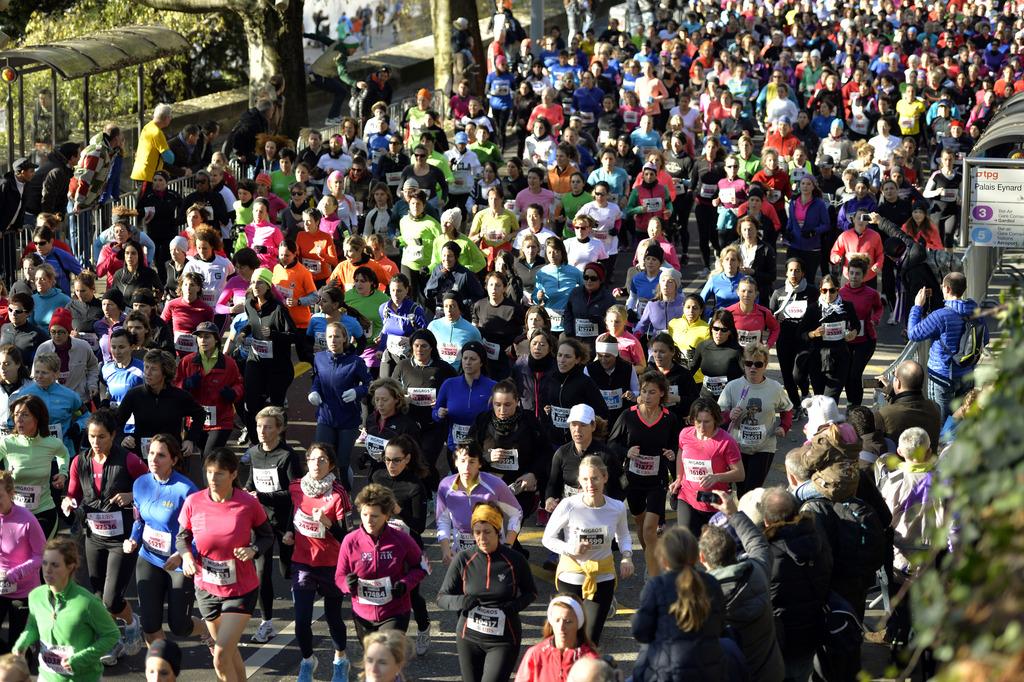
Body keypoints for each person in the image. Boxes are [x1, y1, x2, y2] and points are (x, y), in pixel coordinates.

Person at [177, 449, 274, 682]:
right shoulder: (194, 502)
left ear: (233, 474)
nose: (212, 478)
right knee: (228, 652)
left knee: (220, 655)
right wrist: (187, 557)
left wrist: (253, 550)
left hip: (240, 589)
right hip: (206, 588)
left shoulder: (247, 503)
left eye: (219, 473)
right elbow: (182, 538)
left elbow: (267, 536)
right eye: (209, 472)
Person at [61, 409, 146, 664]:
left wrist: (132, 496)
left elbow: (151, 487)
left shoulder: (129, 460)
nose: (95, 443)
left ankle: (131, 623)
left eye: (101, 437)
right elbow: (74, 493)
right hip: (94, 535)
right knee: (98, 595)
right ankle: (112, 640)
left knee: (111, 598)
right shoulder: (80, 461)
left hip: (122, 539)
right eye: (91, 437)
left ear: (113, 436)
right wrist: (68, 502)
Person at [438, 501, 538, 682]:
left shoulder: (515, 560)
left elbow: (532, 592)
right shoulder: (464, 558)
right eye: (477, 532)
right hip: (468, 637)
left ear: (498, 532)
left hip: (503, 639)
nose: (482, 538)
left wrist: (514, 606)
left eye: (487, 532)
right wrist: (462, 602)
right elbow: (442, 597)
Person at [124, 435, 206, 645]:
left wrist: (183, 555)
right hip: (149, 558)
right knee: (150, 625)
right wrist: (133, 539)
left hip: (177, 565)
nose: (154, 459)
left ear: (174, 460)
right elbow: (139, 520)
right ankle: (160, 670)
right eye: (151, 453)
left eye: (161, 455)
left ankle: (210, 629)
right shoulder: (140, 483)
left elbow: (201, 533)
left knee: (180, 626)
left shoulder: (186, 490)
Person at [543, 454, 633, 646]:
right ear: (579, 481)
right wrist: (570, 549)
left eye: (595, 478)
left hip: (602, 576)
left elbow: (623, 535)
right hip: (571, 575)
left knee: (591, 640)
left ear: (605, 478)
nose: (590, 484)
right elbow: (547, 538)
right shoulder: (569, 506)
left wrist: (627, 556)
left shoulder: (616, 507)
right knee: (568, 638)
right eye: (585, 479)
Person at [699, 491, 785, 682]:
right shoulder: (758, 572)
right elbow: (758, 543)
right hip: (770, 674)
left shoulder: (698, 600)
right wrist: (733, 513)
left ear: (702, 558)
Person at [12, 538, 120, 682]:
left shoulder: (87, 602)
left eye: (55, 565)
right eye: (44, 563)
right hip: (47, 677)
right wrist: (22, 643)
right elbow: (33, 626)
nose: (47, 570)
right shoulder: (35, 596)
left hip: (83, 678)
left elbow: (112, 635)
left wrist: (80, 659)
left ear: (70, 566)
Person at [289, 442, 353, 682]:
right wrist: (287, 532)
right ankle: (307, 661)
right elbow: (291, 513)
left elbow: (347, 536)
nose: (316, 464)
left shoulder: (339, 493)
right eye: (312, 459)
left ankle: (340, 660)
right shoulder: (296, 487)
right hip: (303, 562)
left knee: (333, 616)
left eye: (322, 460)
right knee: (302, 619)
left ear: (332, 464)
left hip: (331, 564)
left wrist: (328, 523)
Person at [630, 526, 726, 681]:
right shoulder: (711, 583)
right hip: (710, 672)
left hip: (667, 673)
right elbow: (720, 626)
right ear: (696, 556)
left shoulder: (656, 586)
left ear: (664, 559)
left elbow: (641, 632)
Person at [242, 406, 304, 644]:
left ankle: (303, 602)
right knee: (261, 573)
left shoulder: (287, 456)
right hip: (261, 523)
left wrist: (264, 496)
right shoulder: (254, 453)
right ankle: (266, 622)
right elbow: (251, 482)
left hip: (285, 520)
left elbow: (294, 493)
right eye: (259, 426)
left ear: (279, 430)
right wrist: (247, 493)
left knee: (287, 569)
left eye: (268, 427)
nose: (262, 431)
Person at [609, 371, 678, 579]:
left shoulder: (669, 418)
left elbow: (678, 443)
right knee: (640, 522)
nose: (647, 396)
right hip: (633, 480)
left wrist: (672, 453)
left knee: (650, 528)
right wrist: (625, 452)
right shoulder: (628, 415)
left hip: (657, 480)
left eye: (652, 392)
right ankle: (653, 557)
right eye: (644, 391)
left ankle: (653, 574)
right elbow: (612, 443)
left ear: (662, 394)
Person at [337, 483, 426, 641]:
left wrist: (405, 584)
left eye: (375, 516)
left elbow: (421, 567)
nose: (369, 520)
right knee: (372, 660)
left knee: (386, 655)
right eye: (365, 515)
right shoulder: (350, 541)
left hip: (395, 611)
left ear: (386, 516)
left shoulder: (401, 539)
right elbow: (339, 576)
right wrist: (347, 584)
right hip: (362, 613)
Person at [760, 487, 832, 681]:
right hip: (812, 630)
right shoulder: (817, 537)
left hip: (780, 636)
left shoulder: (768, 554)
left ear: (766, 521)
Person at [370, 435, 433, 655]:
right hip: (381, 545)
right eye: (387, 459)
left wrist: (399, 511)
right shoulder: (377, 476)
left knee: (412, 595)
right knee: (383, 590)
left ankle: (424, 627)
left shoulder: (415, 486)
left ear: (407, 459)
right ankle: (387, 635)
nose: (391, 465)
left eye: (396, 460)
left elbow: (419, 526)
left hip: (408, 549)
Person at [906, 272, 989, 422]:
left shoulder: (940, 316)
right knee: (963, 417)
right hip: (967, 373)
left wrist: (917, 307)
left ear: (947, 289)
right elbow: (986, 339)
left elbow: (913, 334)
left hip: (942, 376)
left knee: (940, 421)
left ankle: (943, 445)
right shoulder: (976, 310)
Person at [718, 344, 793, 495]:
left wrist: (784, 427)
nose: (753, 368)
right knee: (741, 489)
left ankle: (746, 516)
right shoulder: (733, 387)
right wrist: (729, 415)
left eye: (758, 364)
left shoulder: (775, 388)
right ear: (743, 364)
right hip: (737, 446)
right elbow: (719, 415)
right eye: (748, 363)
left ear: (765, 366)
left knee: (752, 490)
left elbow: (787, 408)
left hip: (764, 446)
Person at [669, 398, 744, 536]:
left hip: (715, 503)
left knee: (712, 550)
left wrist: (717, 477)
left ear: (715, 420)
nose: (702, 427)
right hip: (687, 497)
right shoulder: (685, 434)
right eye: (698, 421)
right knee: (687, 542)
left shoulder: (726, 441)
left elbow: (740, 474)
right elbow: (680, 453)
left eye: (707, 422)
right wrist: (679, 477)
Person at [309, 322, 371, 488]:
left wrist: (357, 392)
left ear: (345, 338)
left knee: (342, 463)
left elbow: (369, 385)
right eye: (329, 336)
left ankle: (346, 498)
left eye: (337, 336)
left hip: (348, 420)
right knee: (322, 459)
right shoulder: (319, 358)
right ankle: (323, 495)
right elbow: (316, 379)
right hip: (325, 417)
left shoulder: (356, 362)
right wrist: (314, 391)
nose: (333, 340)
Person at [174, 321, 243, 466]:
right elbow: (175, 385)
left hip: (221, 421)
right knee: (205, 455)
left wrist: (233, 393)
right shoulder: (187, 362)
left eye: (207, 337)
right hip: (195, 420)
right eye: (199, 337)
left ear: (216, 339)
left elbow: (239, 384)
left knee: (209, 457)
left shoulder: (229, 363)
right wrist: (185, 385)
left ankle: (212, 488)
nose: (203, 340)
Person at [0, 395, 68, 539]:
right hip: (14, 513)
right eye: (16, 414)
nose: (19, 419)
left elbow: (64, 454)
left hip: (44, 512)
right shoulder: (6, 443)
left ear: (37, 418)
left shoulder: (51, 443)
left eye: (25, 415)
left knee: (41, 559)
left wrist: (63, 473)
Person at [0, 469, 45, 655]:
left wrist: (15, 573)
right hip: (0, 588)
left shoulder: (27, 519)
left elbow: (41, 556)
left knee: (18, 651)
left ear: (11, 494)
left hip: (23, 592)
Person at [514, 595, 599, 682]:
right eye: (557, 620)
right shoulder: (536, 654)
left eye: (568, 621)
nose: (561, 627)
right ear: (551, 622)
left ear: (579, 623)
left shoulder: (590, 660)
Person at [802, 274, 859, 401]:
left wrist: (853, 333)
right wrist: (813, 334)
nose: (828, 294)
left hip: (840, 358)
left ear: (838, 289)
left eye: (832, 290)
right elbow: (801, 334)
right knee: (819, 398)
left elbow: (856, 325)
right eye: (824, 290)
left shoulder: (847, 307)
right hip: (818, 359)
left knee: (830, 400)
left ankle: (830, 420)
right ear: (820, 290)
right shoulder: (813, 308)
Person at [770, 258, 813, 412]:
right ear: (786, 273)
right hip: (784, 339)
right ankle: (796, 406)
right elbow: (770, 317)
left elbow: (818, 314)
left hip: (804, 340)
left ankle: (806, 392)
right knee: (787, 376)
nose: (794, 273)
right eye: (791, 270)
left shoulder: (812, 292)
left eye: (797, 270)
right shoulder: (778, 293)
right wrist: (776, 318)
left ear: (803, 273)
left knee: (798, 374)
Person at [840, 255, 884, 406]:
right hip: (846, 339)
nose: (854, 277)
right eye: (851, 273)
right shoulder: (840, 293)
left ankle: (856, 406)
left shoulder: (871, 293)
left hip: (866, 341)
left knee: (855, 373)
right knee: (846, 374)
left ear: (864, 276)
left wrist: (875, 319)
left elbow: (879, 308)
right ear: (847, 273)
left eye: (857, 273)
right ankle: (851, 403)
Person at [875, 359, 943, 450]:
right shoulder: (934, 408)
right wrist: (892, 394)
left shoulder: (883, 415)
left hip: (897, 463)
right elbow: (909, 403)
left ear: (898, 383)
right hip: (929, 462)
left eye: (894, 376)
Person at [691, 309, 743, 400]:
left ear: (730, 331)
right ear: (711, 328)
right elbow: (690, 371)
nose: (719, 333)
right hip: (706, 397)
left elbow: (747, 376)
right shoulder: (703, 346)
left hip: (729, 399)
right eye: (716, 328)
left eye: (724, 330)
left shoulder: (738, 350)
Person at [131, 104, 175, 186]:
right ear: (165, 118)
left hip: (140, 173)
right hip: (149, 176)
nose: (171, 119)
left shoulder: (147, 127)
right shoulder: (157, 133)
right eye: (170, 116)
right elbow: (169, 158)